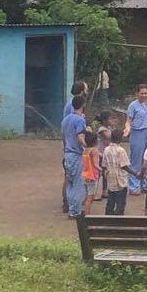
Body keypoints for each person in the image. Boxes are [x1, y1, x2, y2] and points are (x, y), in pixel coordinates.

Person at [62, 80, 90, 213]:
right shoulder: (79, 120)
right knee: (78, 183)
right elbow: (80, 137)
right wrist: (88, 146)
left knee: (71, 182)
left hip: (68, 152)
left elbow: (64, 136)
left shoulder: (65, 120)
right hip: (76, 152)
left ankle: (70, 206)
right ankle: (75, 211)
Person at [126, 84, 147, 196]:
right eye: (141, 93)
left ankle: (145, 184)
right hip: (138, 132)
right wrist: (127, 129)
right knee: (136, 159)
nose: (144, 95)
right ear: (137, 94)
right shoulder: (133, 106)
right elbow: (128, 120)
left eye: (145, 93)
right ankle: (134, 186)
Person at [100, 128, 130, 216]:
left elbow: (104, 165)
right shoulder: (121, 150)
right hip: (120, 180)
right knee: (120, 204)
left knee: (110, 201)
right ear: (120, 138)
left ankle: (108, 219)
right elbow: (124, 166)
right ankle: (118, 220)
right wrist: (135, 173)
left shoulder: (106, 149)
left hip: (111, 179)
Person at [81, 132, 101, 216]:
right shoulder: (94, 150)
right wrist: (102, 169)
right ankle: (87, 214)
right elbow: (96, 165)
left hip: (84, 174)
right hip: (91, 176)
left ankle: (83, 210)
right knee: (90, 197)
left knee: (86, 195)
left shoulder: (85, 150)